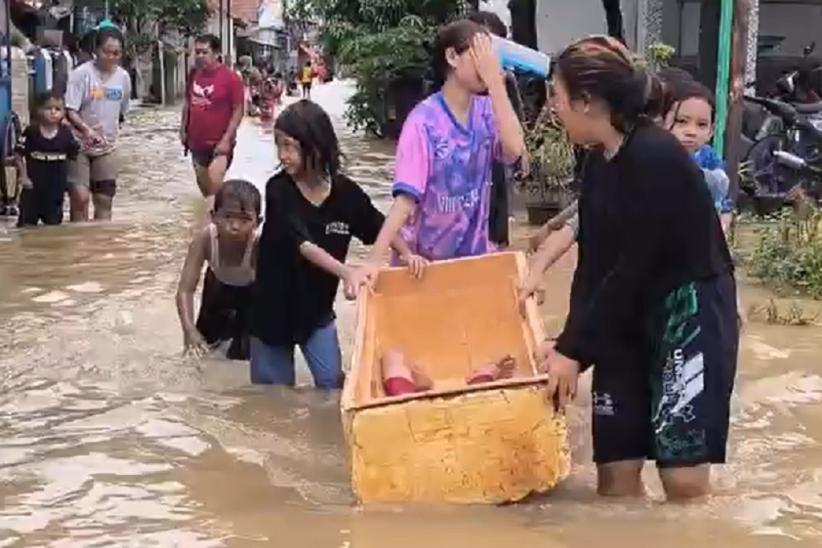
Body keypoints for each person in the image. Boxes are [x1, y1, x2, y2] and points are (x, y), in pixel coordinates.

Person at [539, 36, 738, 501]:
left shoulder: (656, 156)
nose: (553, 107)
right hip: (625, 316)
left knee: (682, 482)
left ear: (587, 102)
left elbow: (634, 266)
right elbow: (594, 264)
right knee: (615, 477)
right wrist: (567, 342)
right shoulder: (598, 160)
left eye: (557, 95)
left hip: (686, 314)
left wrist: (575, 351)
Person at [251, 100, 425, 388]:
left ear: (316, 147)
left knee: (333, 388)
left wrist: (408, 254)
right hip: (271, 311)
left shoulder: (346, 195)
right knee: (272, 398)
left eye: (289, 146)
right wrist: (348, 273)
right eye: (278, 146)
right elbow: (303, 245)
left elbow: (381, 227)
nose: (282, 156)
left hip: (316, 313)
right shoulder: (278, 190)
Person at [351, 19, 524, 287]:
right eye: (479, 54)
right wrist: (374, 260)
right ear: (452, 57)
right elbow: (405, 200)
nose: (488, 64)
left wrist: (496, 85)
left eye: (490, 56)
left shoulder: (488, 111)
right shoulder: (423, 122)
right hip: (422, 268)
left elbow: (514, 150)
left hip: (471, 262)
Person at [176, 179, 260, 360]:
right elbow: (185, 290)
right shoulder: (205, 240)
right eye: (228, 217)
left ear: (257, 222)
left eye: (245, 220)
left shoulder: (258, 246)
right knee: (201, 349)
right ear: (214, 216)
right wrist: (189, 329)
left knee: (243, 356)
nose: (235, 226)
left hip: (251, 294)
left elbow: (273, 292)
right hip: (216, 288)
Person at [467, 10, 525, 249]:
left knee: (495, 234)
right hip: (461, 176)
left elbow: (515, 120)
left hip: (495, 168)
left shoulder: (504, 81)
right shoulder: (453, 83)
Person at [65, 27, 131, 222]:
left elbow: (122, 111)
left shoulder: (123, 78)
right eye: (106, 52)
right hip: (78, 144)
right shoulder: (81, 75)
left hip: (106, 146)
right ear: (96, 50)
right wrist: (86, 130)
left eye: (116, 53)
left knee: (104, 200)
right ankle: (79, 237)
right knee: (80, 198)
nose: (111, 57)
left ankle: (101, 239)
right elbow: (70, 110)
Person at [180, 34, 245, 198]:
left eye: (204, 52)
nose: (200, 56)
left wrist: (227, 139)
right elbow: (188, 103)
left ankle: (219, 211)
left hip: (220, 145)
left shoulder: (231, 78)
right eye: (197, 52)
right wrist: (183, 129)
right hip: (196, 143)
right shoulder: (193, 74)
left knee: (214, 189)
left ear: (216, 54)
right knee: (206, 192)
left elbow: (238, 111)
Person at [15, 91, 80, 227]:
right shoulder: (31, 132)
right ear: (38, 110)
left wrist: (70, 183)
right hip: (32, 189)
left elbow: (74, 157)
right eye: (48, 108)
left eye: (57, 109)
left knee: (53, 226)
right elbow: (18, 155)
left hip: (55, 190)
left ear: (63, 112)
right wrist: (24, 177)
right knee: (26, 226)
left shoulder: (66, 134)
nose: (53, 112)